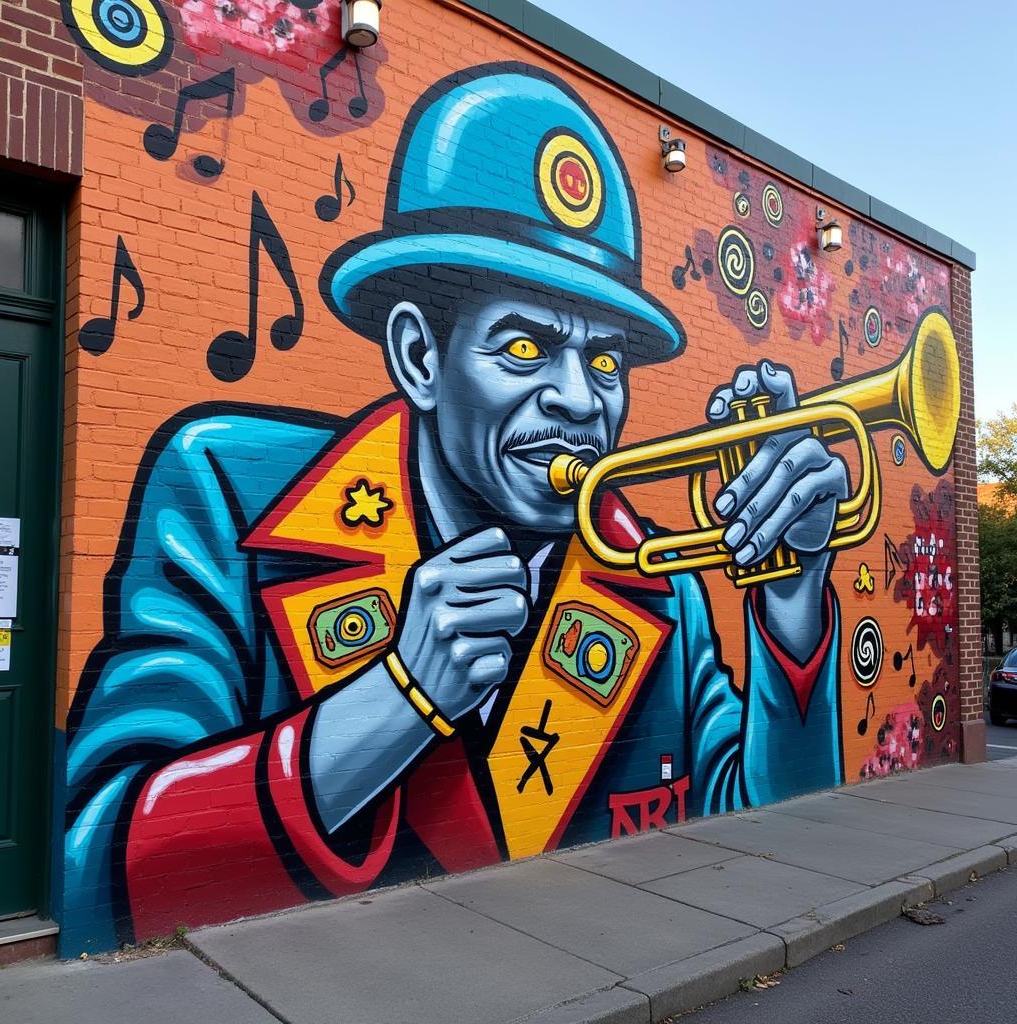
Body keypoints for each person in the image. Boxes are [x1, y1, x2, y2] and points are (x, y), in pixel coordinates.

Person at [64, 63, 846, 954]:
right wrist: (398, 700)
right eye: (524, 345)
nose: (581, 403)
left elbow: (765, 822)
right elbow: (100, 865)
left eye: (603, 364)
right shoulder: (224, 490)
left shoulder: (662, 587)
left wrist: (793, 599)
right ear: (418, 354)